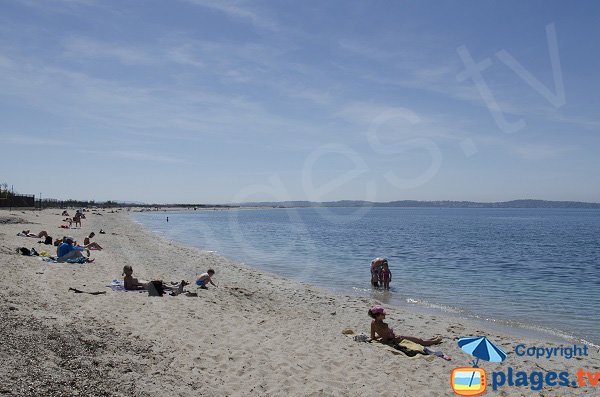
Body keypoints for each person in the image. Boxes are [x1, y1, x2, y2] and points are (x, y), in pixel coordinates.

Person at [368, 305, 442, 346]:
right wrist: (389, 339)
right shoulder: (384, 325)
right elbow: (386, 339)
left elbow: (373, 337)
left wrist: (380, 337)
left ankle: (433, 339)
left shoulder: (373, 323)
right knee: (420, 341)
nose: (385, 314)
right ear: (378, 315)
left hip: (394, 338)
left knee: (419, 340)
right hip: (397, 339)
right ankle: (435, 341)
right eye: (383, 314)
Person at [122, 265, 188, 295]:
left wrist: (135, 287)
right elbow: (132, 287)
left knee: (161, 283)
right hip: (146, 285)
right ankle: (176, 287)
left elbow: (126, 287)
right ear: (127, 272)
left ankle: (175, 285)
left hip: (146, 285)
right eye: (131, 271)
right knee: (163, 285)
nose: (132, 271)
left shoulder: (126, 278)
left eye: (132, 270)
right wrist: (137, 287)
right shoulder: (129, 279)